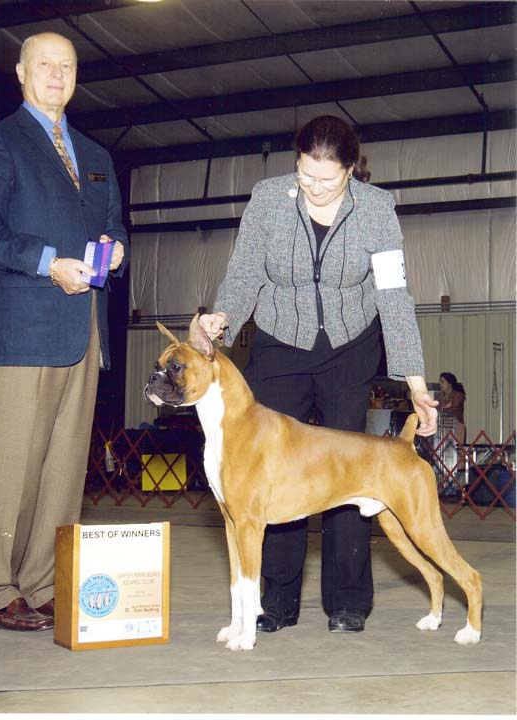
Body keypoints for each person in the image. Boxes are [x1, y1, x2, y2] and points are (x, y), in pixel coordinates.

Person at [200, 115, 437, 635]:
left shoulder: (377, 210)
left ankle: (347, 601)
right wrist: (223, 316)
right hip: (280, 344)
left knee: (350, 472)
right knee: (274, 474)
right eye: (305, 175)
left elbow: (394, 297)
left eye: (327, 179)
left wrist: (415, 382)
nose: (314, 187)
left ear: (351, 170)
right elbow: (245, 273)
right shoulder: (267, 199)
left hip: (350, 350)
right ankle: (275, 604)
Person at [0, 32, 128, 632]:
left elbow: (112, 228)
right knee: (11, 466)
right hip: (25, 331)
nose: (57, 76)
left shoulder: (97, 155)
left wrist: (116, 251)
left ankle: (44, 582)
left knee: (63, 471)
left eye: (68, 67)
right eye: (45, 66)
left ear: (77, 76)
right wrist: (45, 261)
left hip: (85, 331)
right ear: (21, 73)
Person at [438, 372, 466, 443]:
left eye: (442, 382)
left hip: (456, 427)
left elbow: (453, 406)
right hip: (443, 427)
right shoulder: (441, 396)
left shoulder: (458, 395)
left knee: (456, 449)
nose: (440, 384)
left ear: (449, 383)